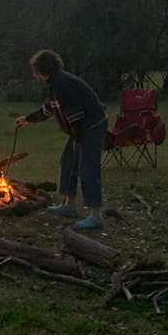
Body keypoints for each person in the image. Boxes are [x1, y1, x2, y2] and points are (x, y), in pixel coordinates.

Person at [15, 49, 107, 230]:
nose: (34, 75)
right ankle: (69, 205)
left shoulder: (62, 83)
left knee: (87, 169)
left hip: (91, 126)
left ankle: (96, 216)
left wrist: (78, 137)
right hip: (79, 130)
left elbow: (77, 113)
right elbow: (49, 109)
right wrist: (28, 119)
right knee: (68, 163)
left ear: (42, 70)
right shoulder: (55, 83)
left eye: (35, 71)